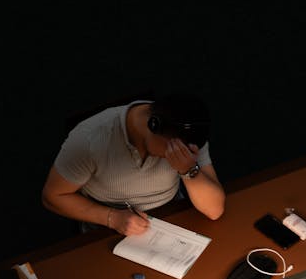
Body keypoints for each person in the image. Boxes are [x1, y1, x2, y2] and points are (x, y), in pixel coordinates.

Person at [41, 93, 226, 235]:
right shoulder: (89, 140)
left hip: (170, 218)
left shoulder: (187, 135)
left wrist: (188, 170)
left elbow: (214, 210)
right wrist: (112, 218)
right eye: (174, 148)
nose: (177, 155)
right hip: (107, 228)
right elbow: (53, 196)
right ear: (153, 126)